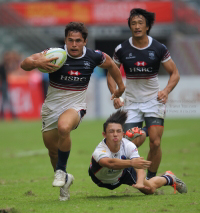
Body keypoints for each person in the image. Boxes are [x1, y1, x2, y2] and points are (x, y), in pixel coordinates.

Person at [20, 22, 125, 201]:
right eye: (70, 40)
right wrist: (38, 62)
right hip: (50, 108)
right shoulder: (54, 54)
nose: (74, 44)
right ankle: (65, 179)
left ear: (85, 42)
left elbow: (112, 65)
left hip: (75, 106)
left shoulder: (94, 56)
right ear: (65, 40)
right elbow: (25, 64)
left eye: (78, 41)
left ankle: (60, 171)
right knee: (52, 151)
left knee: (64, 127)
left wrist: (119, 88)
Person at [107, 8, 180, 179]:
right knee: (131, 142)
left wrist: (166, 90)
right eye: (133, 23)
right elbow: (111, 73)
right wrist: (116, 95)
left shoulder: (159, 48)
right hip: (131, 102)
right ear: (130, 26)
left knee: (155, 142)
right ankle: (133, 168)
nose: (137, 26)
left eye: (141, 23)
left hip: (153, 101)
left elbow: (174, 73)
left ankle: (150, 178)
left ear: (147, 27)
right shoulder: (122, 49)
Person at [88, 110, 187, 195]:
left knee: (151, 190)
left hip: (123, 174)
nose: (115, 134)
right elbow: (110, 163)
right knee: (129, 161)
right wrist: (131, 163)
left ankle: (169, 178)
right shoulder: (100, 150)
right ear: (104, 134)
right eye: (111, 131)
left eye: (118, 131)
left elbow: (139, 166)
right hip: (99, 179)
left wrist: (140, 182)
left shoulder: (128, 145)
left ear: (123, 134)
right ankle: (144, 131)